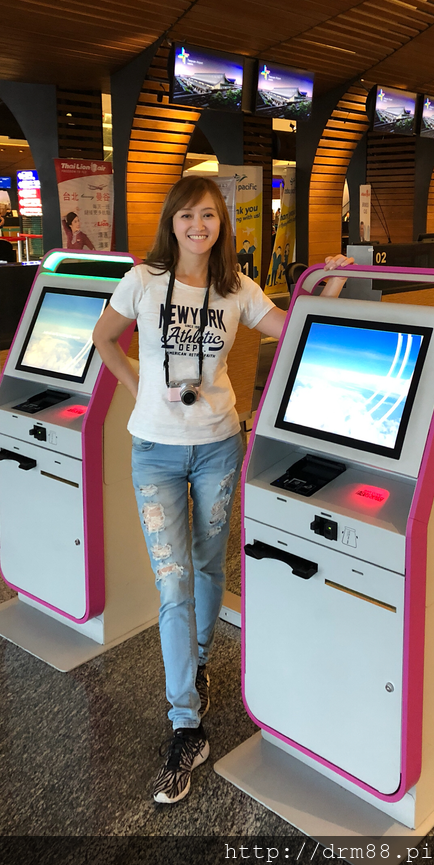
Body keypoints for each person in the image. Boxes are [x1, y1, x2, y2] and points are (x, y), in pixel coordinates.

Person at [92, 176, 352, 805]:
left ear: (221, 225)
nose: (197, 226)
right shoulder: (144, 281)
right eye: (186, 216)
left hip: (217, 448)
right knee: (174, 581)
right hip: (153, 452)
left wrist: (332, 284)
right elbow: (103, 340)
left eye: (207, 216)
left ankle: (199, 662)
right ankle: (185, 723)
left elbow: (290, 331)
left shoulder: (237, 289)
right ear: (171, 222)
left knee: (209, 565)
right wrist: (141, 396)